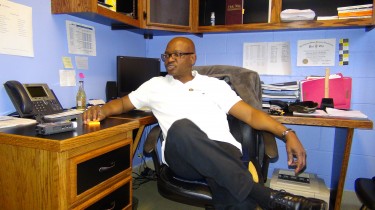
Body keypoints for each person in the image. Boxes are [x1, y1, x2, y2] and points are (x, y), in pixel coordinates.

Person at [83, 37, 327, 210]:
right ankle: (268, 196)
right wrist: (101, 109)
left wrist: (287, 133)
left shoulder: (215, 85)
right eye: (167, 54)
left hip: (224, 151)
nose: (170, 59)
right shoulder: (154, 85)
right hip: (182, 158)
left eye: (177, 54)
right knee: (181, 127)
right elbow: (123, 104)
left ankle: (259, 197)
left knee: (235, 195)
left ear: (193, 58)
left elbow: (252, 116)